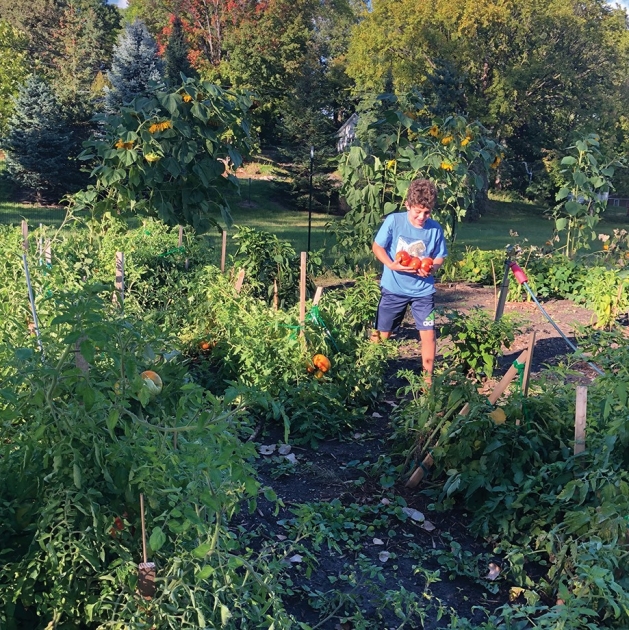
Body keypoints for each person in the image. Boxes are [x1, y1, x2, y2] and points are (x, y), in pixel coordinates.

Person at [371, 178, 447, 381]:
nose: (422, 217)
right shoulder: (394, 221)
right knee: (382, 331)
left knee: (428, 333)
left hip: (423, 291)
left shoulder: (435, 229)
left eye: (427, 212)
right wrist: (390, 264)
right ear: (408, 205)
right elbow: (377, 246)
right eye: (417, 212)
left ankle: (428, 379)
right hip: (394, 288)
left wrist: (432, 267)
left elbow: (439, 256)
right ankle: (371, 370)